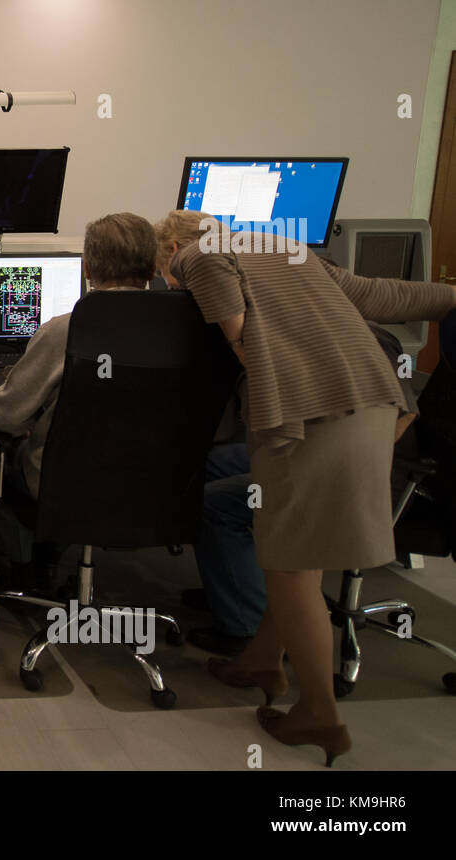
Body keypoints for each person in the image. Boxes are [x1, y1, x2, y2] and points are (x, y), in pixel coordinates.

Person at [155, 209, 456, 765]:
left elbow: (241, 334)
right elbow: (383, 296)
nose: (173, 283)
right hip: (375, 404)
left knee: (289, 561)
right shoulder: (286, 248)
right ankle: (261, 663)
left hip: (307, 415)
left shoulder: (196, 256)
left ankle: (319, 712)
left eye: (167, 274)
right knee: (302, 547)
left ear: (171, 246)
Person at [186, 322, 420, 656]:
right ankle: (231, 582)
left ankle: (244, 626)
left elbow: (405, 414)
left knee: (214, 505)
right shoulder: (305, 331)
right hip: (312, 455)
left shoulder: (371, 339)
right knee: (209, 463)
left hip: (362, 479)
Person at [0, 213, 159, 590]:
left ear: (88, 267)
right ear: (154, 265)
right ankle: (56, 554)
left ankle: (25, 565)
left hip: (65, 482)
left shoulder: (67, 328)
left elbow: (5, 414)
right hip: (153, 481)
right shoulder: (184, 326)